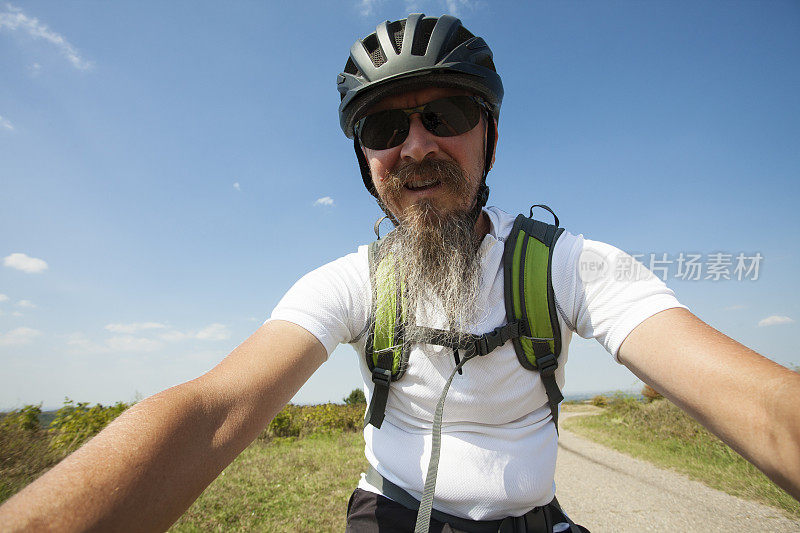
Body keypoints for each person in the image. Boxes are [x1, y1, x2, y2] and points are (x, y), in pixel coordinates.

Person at [1, 13, 798, 533]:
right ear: (365, 160)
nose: (415, 146)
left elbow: (757, 405)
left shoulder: (569, 264)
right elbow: (212, 410)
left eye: (444, 115)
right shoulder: (351, 281)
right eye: (385, 125)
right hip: (388, 515)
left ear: (489, 135)